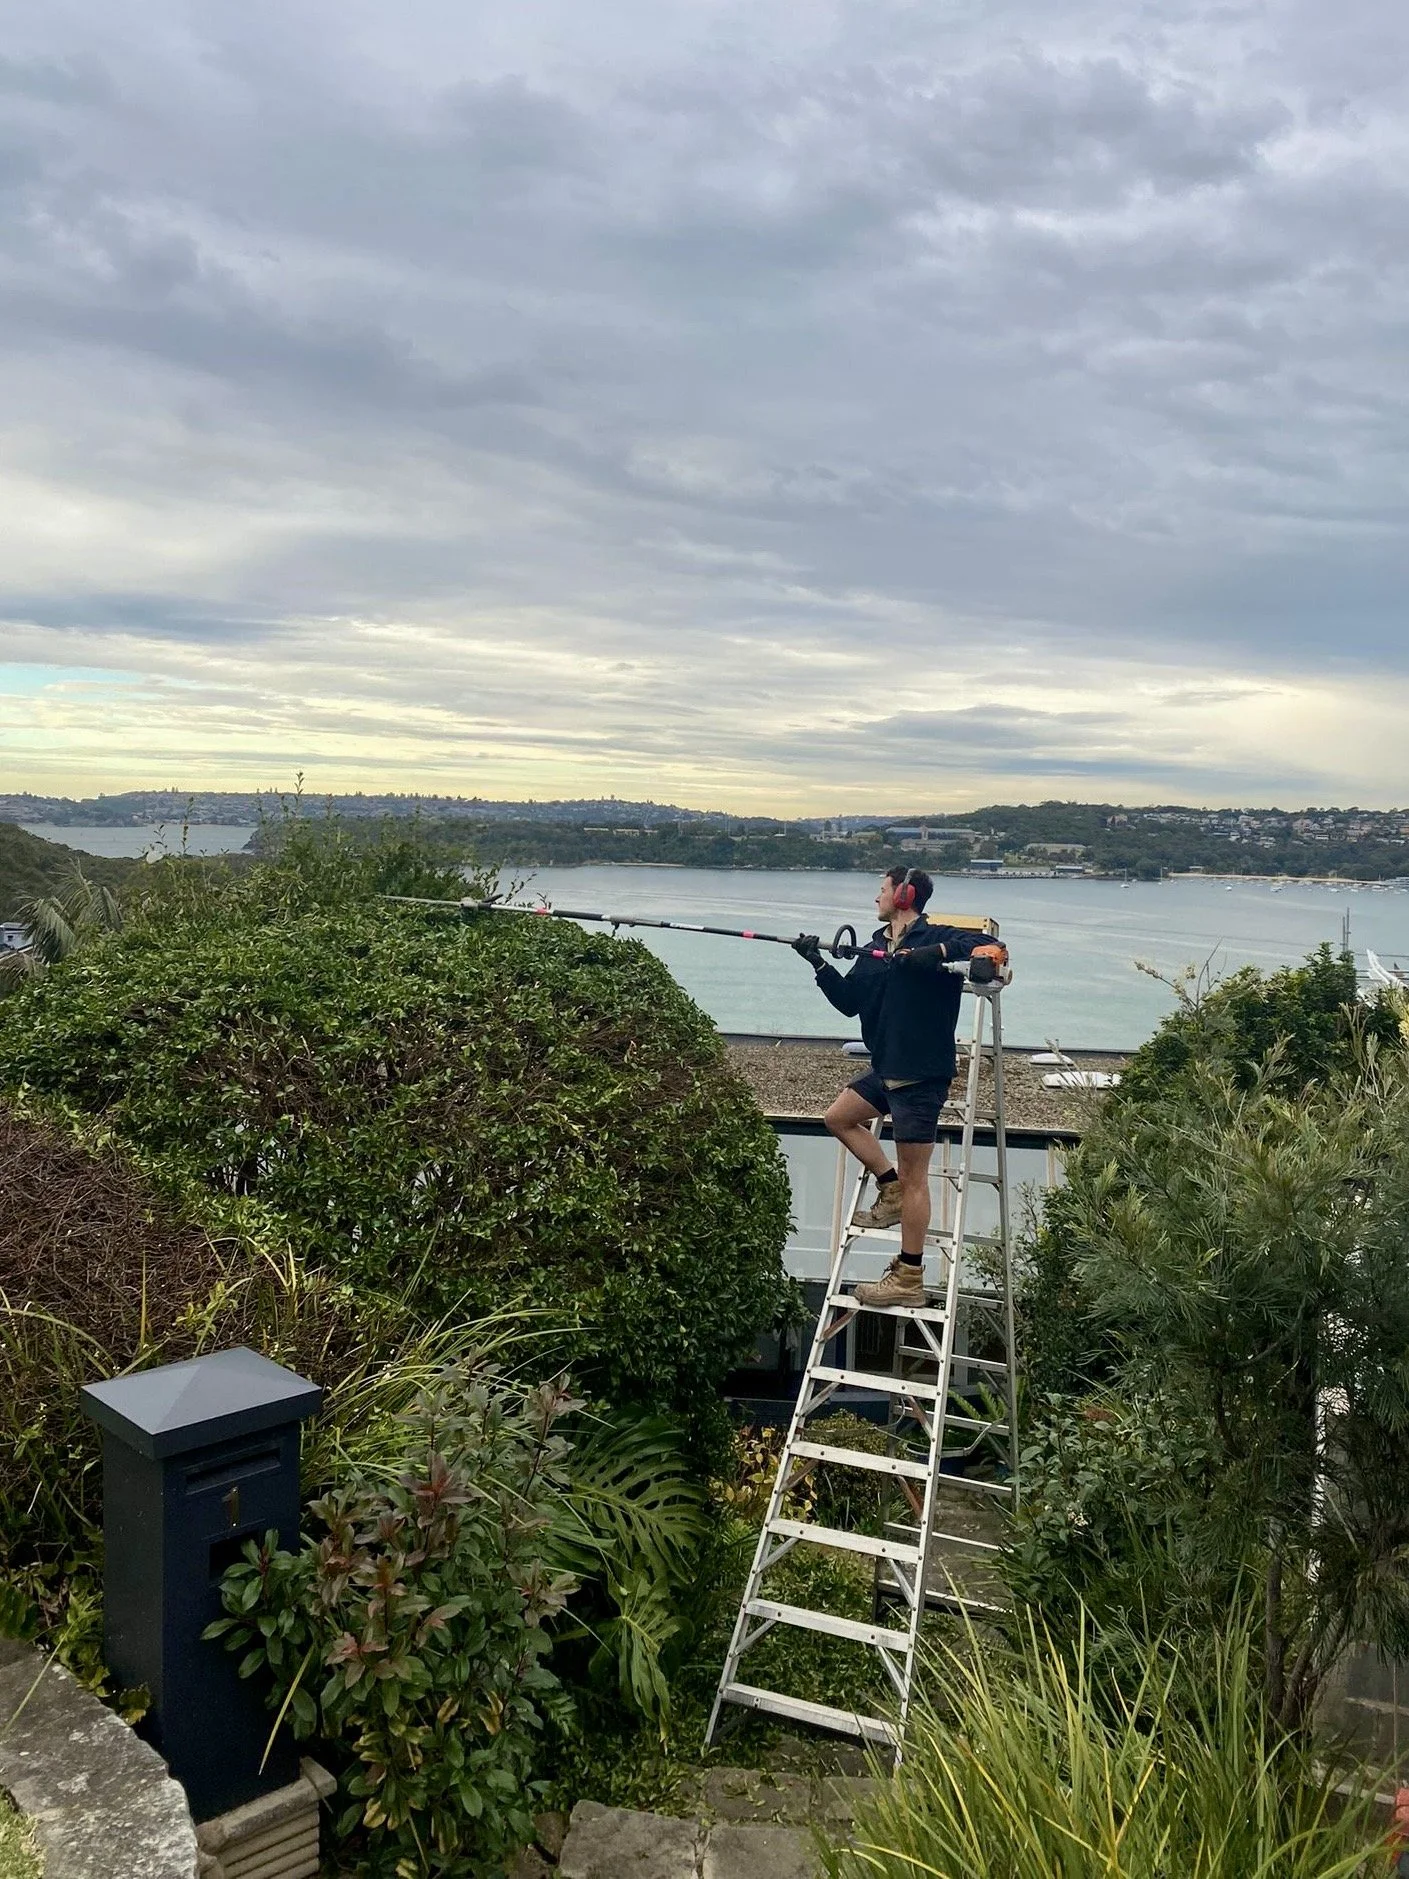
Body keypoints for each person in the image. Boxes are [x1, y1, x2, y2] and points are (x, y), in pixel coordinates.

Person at [791, 867, 1006, 1309]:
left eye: (883, 889)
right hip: (886, 1068)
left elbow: (994, 950)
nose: (877, 897)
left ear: (905, 895)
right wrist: (818, 963)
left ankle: (909, 1276)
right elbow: (849, 1003)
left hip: (921, 1076)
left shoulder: (938, 937)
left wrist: (938, 952)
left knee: (917, 1180)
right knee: (838, 1117)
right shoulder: (873, 950)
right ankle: (888, 1187)